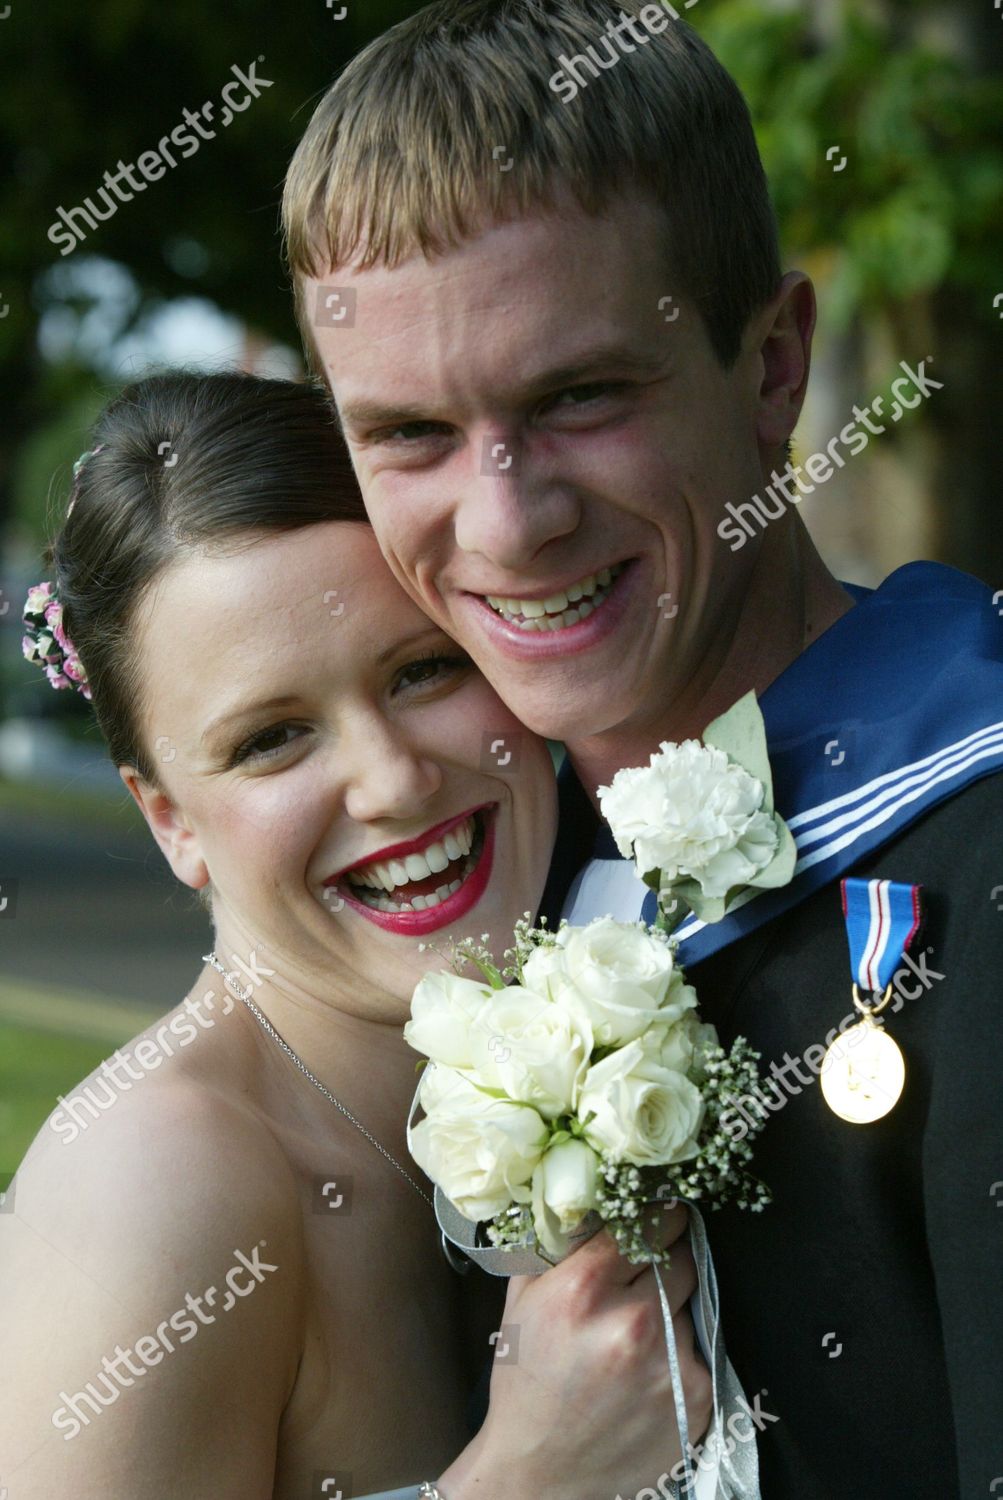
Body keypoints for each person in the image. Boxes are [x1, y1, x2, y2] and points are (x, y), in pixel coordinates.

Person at [281, 2, 1003, 1495]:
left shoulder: (974, 838)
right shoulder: (481, 883)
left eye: (578, 397)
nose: (504, 522)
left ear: (768, 369)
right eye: (408, 433)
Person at [0, 372, 710, 1500]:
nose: (389, 782)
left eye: (423, 669)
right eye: (273, 739)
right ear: (168, 818)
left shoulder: (639, 1006)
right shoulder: (155, 1187)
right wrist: (524, 1482)